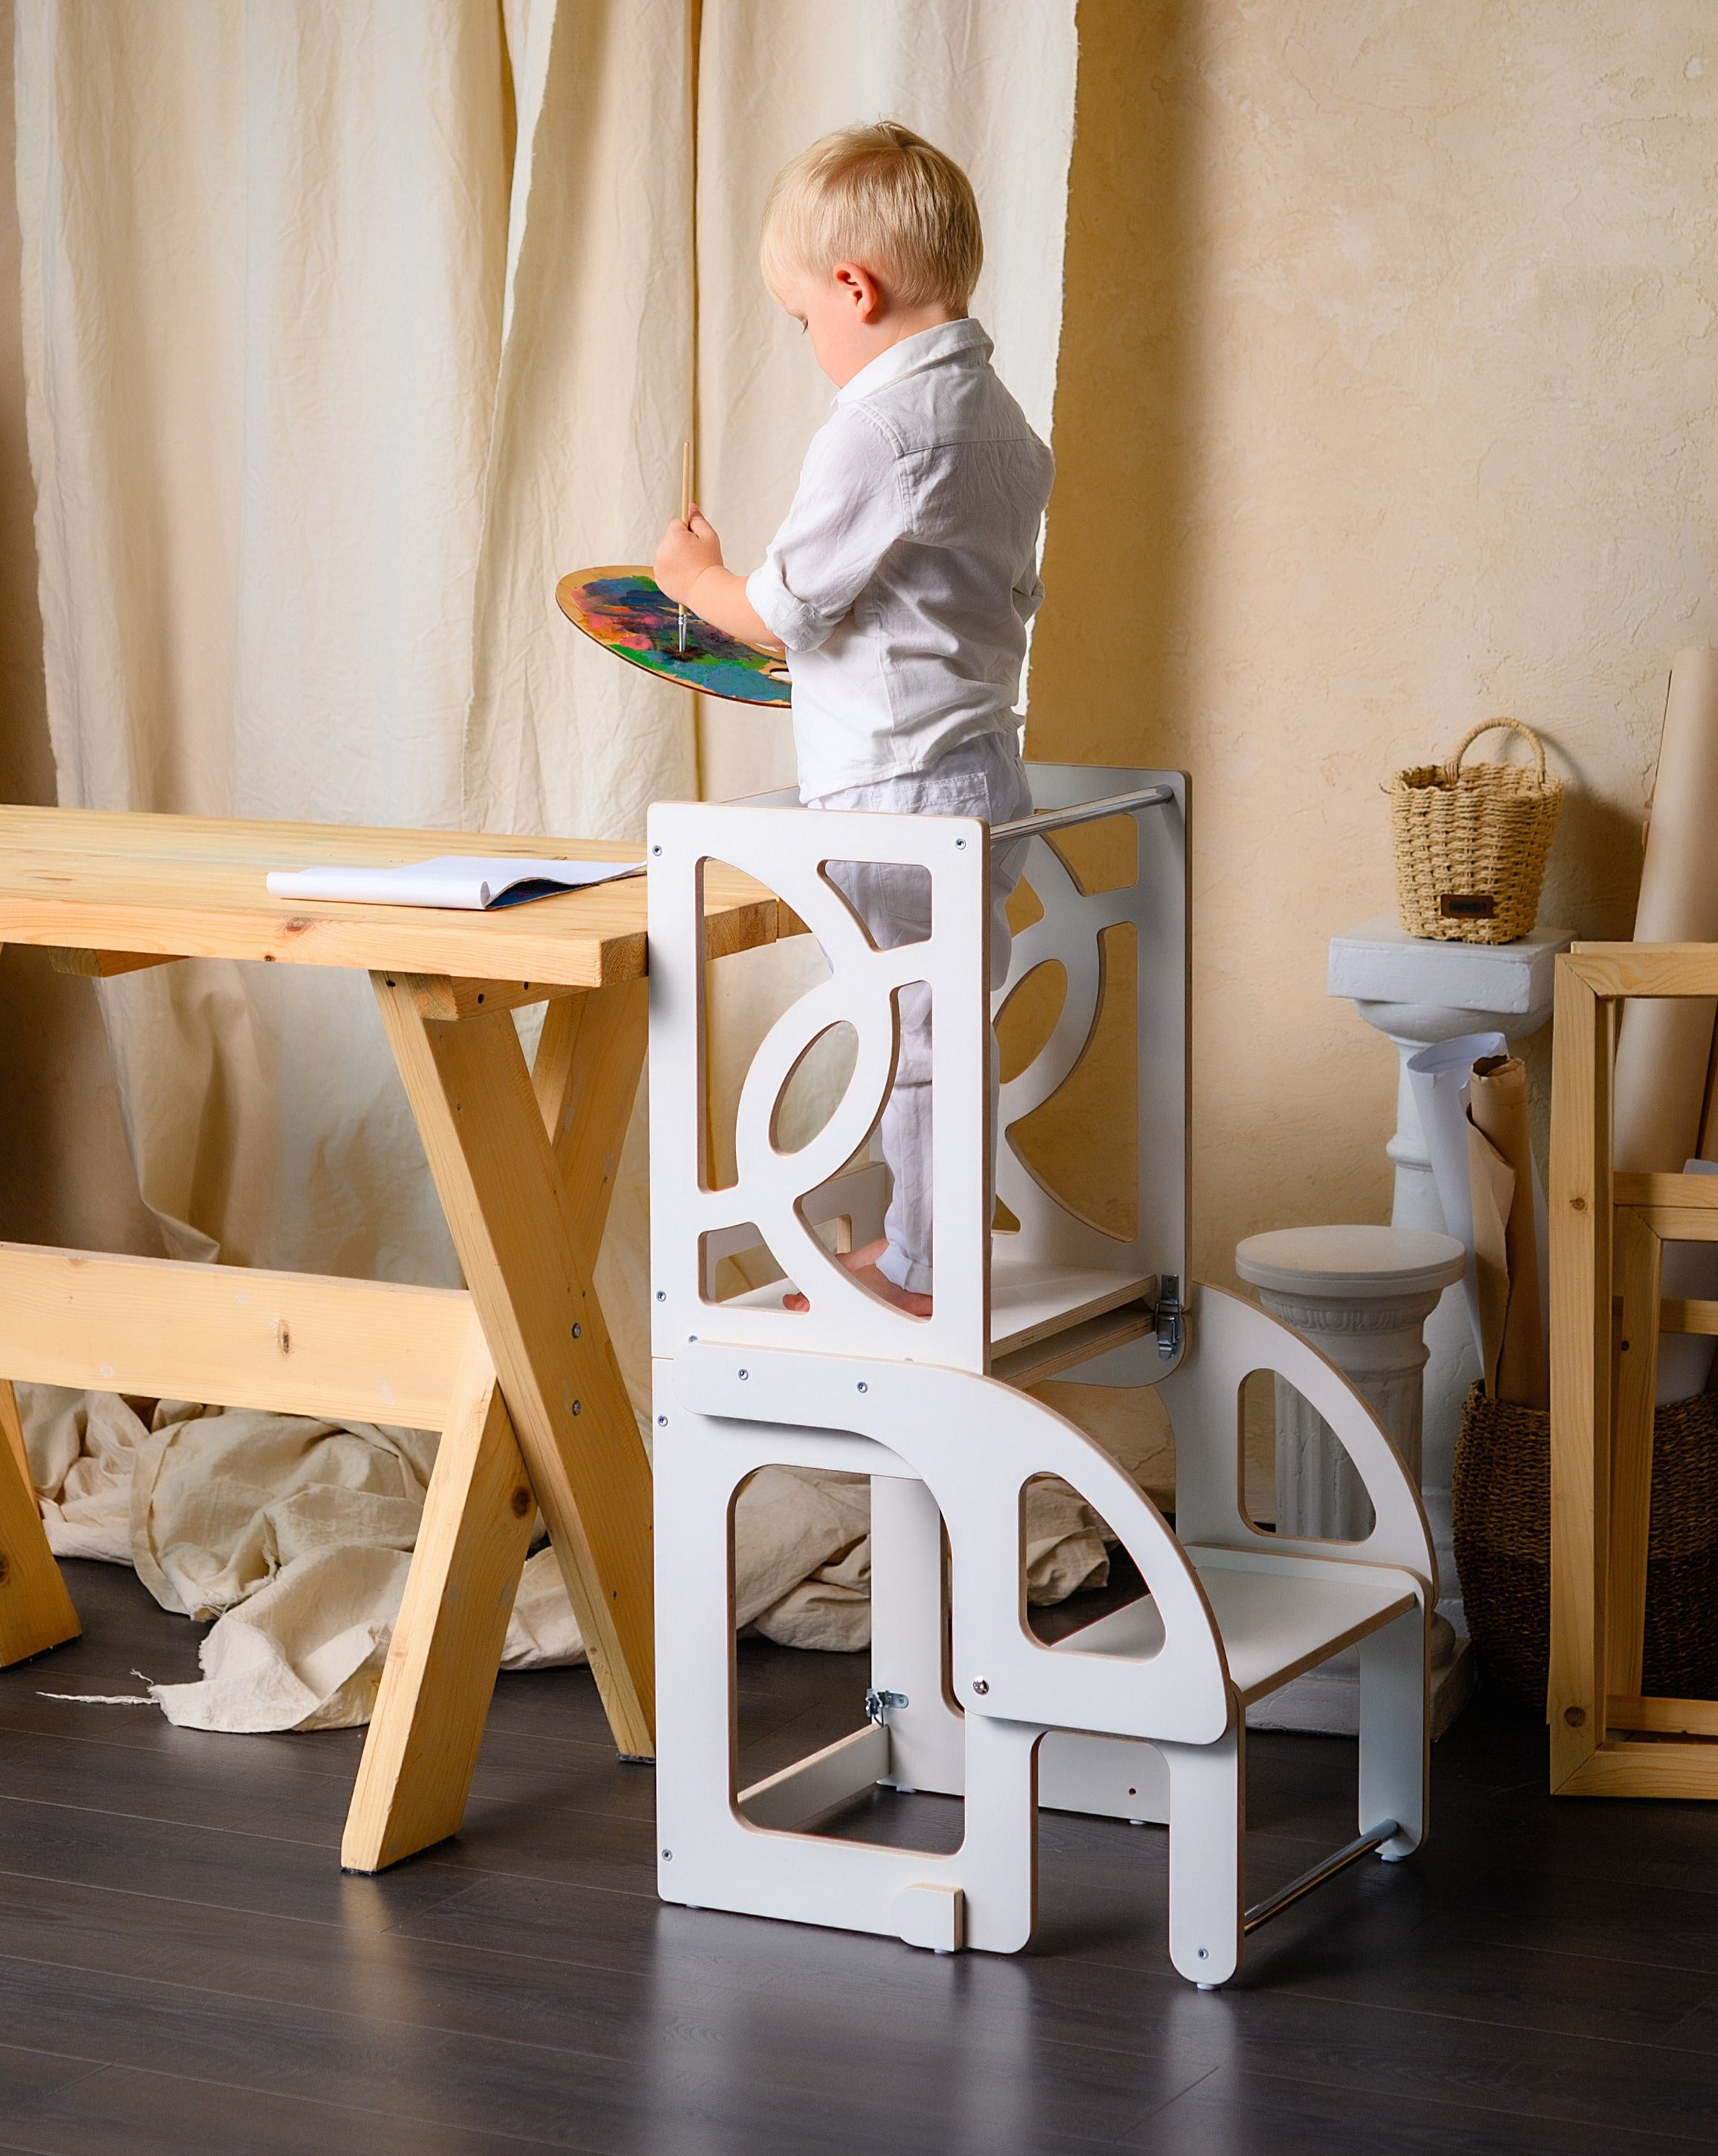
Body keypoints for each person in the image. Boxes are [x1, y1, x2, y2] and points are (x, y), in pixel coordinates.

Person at [655, 120, 1052, 1316]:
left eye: (801, 319)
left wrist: (690, 580)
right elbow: (921, 606)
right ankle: (920, 1250)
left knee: (914, 1041)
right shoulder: (997, 418)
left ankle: (926, 1271)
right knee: (934, 1027)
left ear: (853, 287)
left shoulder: (877, 429)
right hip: (977, 763)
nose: (809, 342)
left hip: (897, 790)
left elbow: (779, 611)